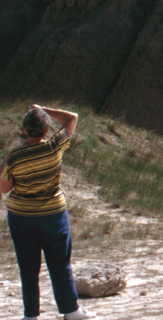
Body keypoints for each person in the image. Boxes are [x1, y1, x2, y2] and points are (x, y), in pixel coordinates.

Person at [0, 104, 93, 320]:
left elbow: (4, 188)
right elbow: (72, 117)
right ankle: (71, 311)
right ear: (45, 129)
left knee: (28, 266)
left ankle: (31, 315)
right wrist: (44, 110)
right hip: (53, 214)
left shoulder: (13, 157)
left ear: (24, 130)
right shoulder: (54, 146)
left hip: (22, 216)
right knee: (60, 263)